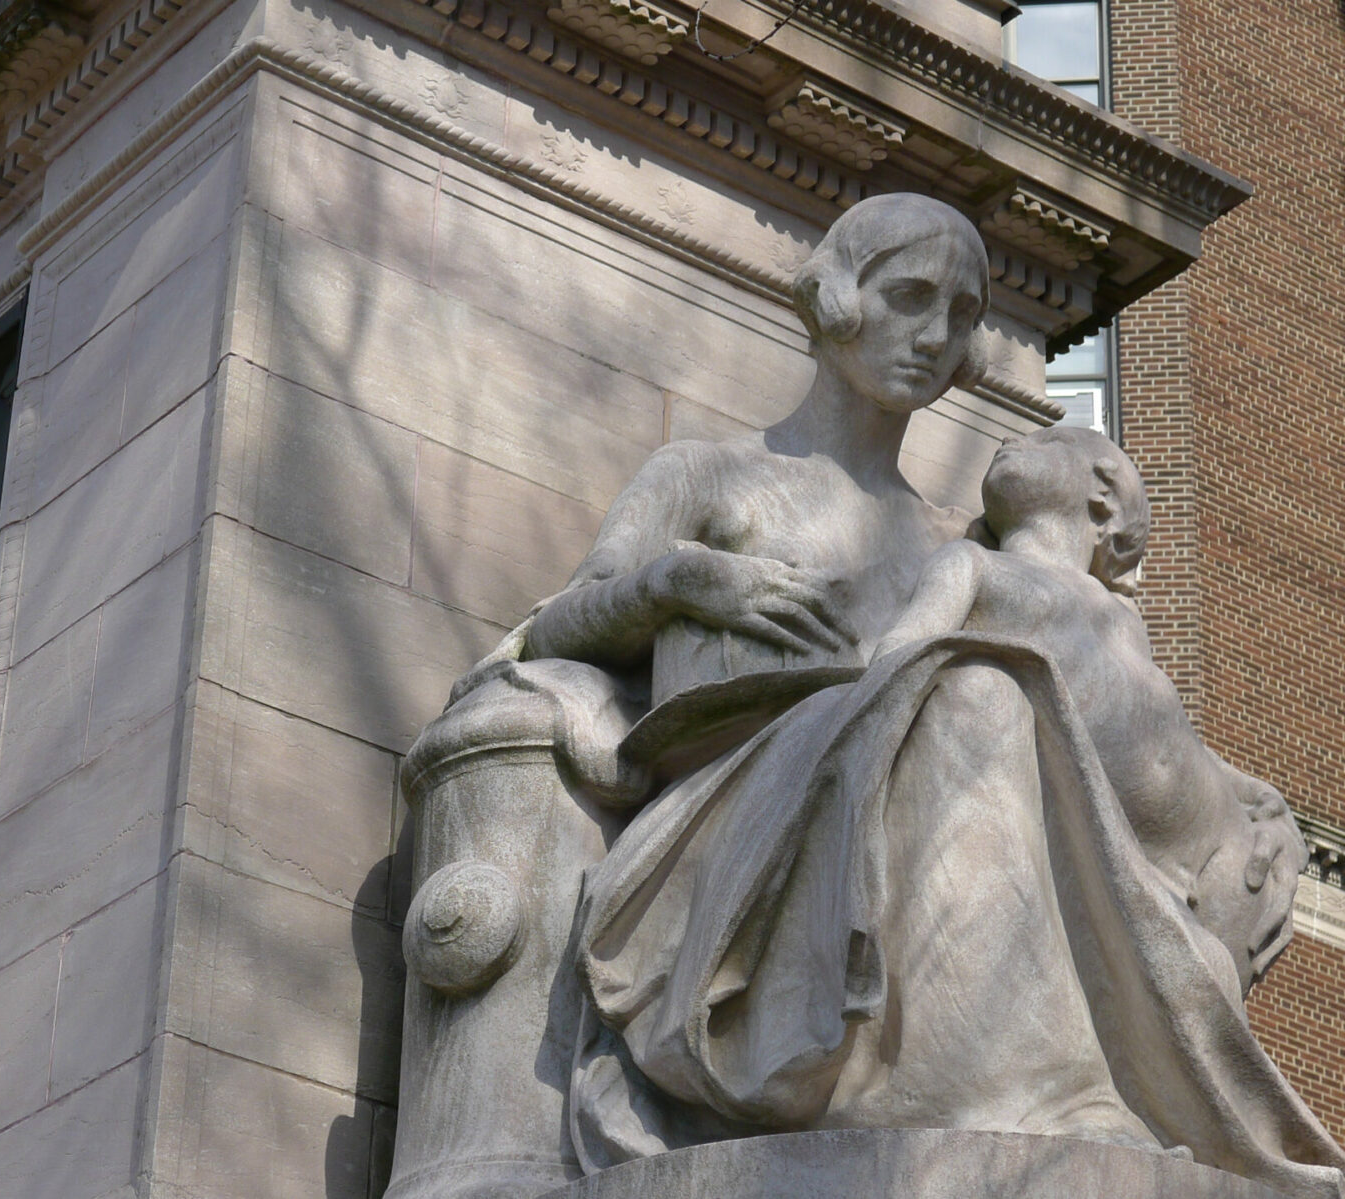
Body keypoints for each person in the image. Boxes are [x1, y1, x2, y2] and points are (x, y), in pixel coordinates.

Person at [502, 193, 1345, 1196]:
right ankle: (998, 1094)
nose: (932, 334)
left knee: (990, 700)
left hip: (879, 805)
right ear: (832, 297)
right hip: (728, 817)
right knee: (980, 697)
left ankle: (1036, 1087)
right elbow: (551, 628)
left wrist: (1243, 809)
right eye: (906, 296)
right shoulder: (706, 474)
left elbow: (1093, 708)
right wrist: (681, 580)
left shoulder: (949, 541)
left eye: (955, 315)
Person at [871, 425, 1303, 990]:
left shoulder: (1125, 619)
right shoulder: (974, 569)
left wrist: (1264, 803)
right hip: (1134, 875)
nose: (1008, 441)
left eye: (1044, 441)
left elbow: (1167, 733)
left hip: (1224, 866)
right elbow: (894, 662)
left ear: (1104, 490)